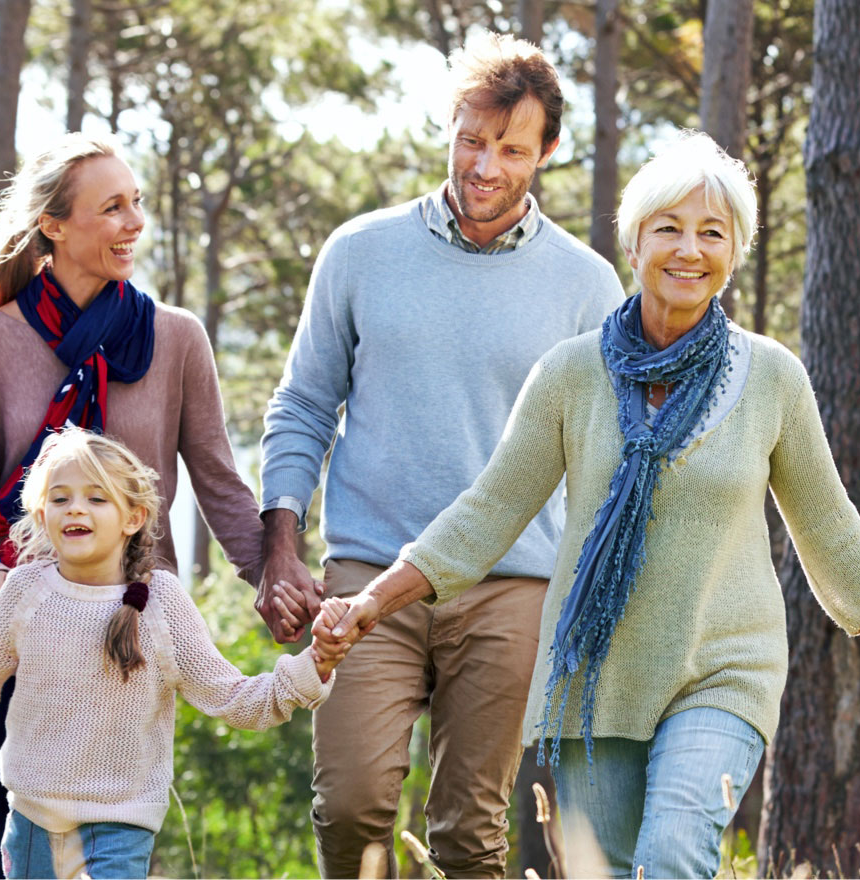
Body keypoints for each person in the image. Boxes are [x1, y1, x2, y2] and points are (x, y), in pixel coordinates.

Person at [314, 132, 860, 879]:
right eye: (669, 228)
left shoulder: (772, 377)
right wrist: (373, 600)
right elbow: (488, 511)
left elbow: (828, 524)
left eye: (712, 233)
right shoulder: (570, 374)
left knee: (674, 851)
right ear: (635, 241)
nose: (689, 249)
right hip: (597, 678)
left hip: (724, 667)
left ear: (735, 252)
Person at [254, 32, 624, 877]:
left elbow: (603, 461)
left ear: (548, 153)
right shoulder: (360, 252)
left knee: (470, 831)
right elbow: (303, 404)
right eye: (470, 140)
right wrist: (279, 545)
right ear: (449, 128)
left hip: (512, 588)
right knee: (351, 805)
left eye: (510, 149)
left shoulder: (587, 285)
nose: (484, 166)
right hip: (364, 577)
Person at [0, 132, 269, 869]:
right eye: (112, 207)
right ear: (54, 224)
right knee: (18, 844)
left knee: (118, 844)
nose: (134, 223)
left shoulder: (177, 340)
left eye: (137, 204)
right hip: (18, 623)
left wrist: (272, 580)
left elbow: (219, 480)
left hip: (135, 627)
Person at [0, 431, 341, 880]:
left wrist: (311, 667)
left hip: (120, 828)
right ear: (41, 513)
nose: (76, 507)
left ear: (133, 517)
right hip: (32, 823)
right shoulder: (24, 591)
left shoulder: (161, 603)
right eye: (60, 498)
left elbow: (233, 697)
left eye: (96, 498)